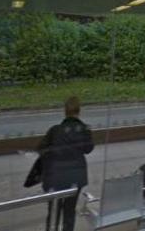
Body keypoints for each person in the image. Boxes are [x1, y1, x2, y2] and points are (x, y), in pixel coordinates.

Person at [37, 96, 93, 231]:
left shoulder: (54, 130)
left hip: (55, 176)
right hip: (75, 176)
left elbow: (41, 149)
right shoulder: (84, 129)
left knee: (53, 210)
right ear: (79, 111)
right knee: (69, 210)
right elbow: (88, 149)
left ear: (65, 111)